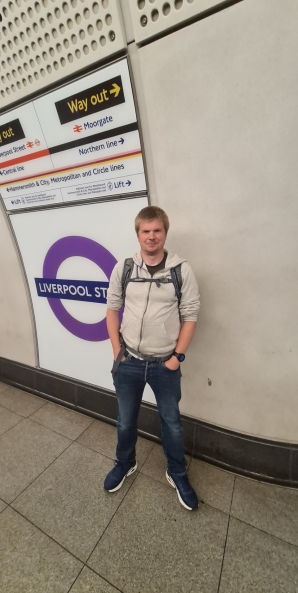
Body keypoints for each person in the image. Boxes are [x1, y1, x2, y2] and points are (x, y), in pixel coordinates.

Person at [104, 206, 200, 510]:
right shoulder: (125, 268)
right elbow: (111, 309)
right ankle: (125, 463)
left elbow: (190, 316)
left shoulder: (181, 270)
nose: (151, 236)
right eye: (145, 231)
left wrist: (177, 358)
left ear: (165, 233)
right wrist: (117, 351)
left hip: (164, 365)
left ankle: (177, 472)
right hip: (128, 361)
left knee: (171, 423)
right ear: (138, 235)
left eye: (157, 230)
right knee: (124, 422)